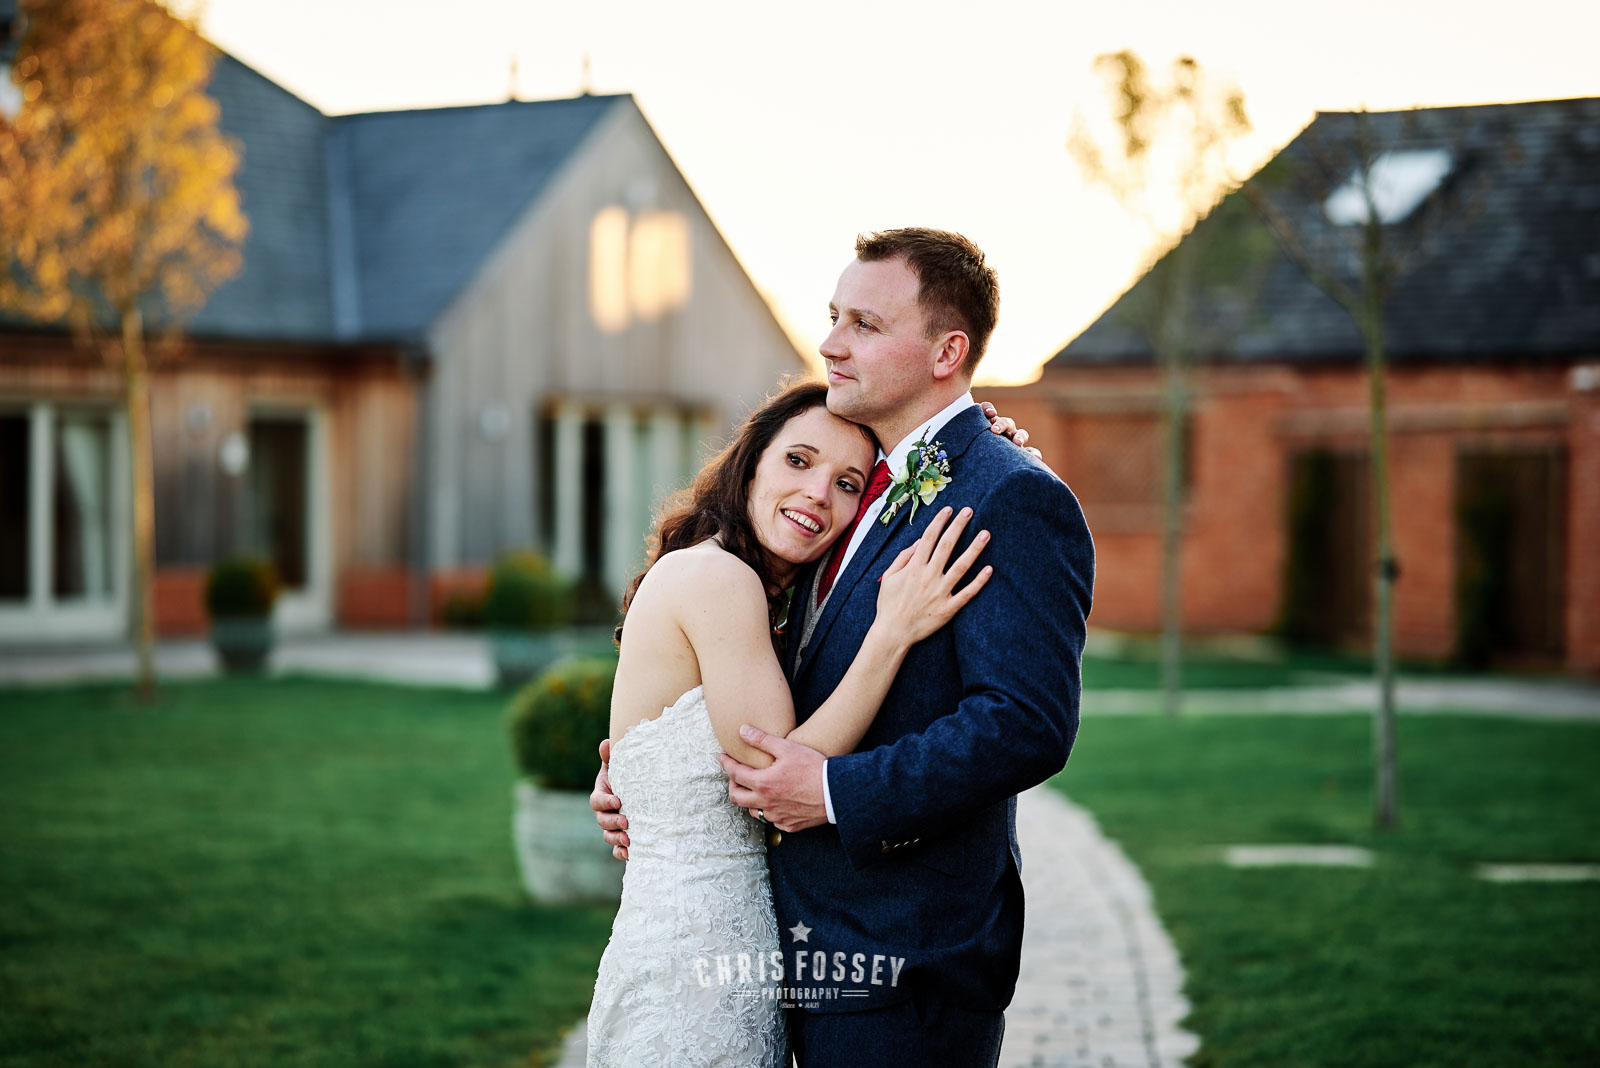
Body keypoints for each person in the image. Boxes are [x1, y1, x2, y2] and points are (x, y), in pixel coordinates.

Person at [594, 228, 1094, 1066]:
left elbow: (1024, 723)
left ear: (948, 351)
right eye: (833, 317)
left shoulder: (1008, 495)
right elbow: (753, 679)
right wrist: (640, 774)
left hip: (906, 958)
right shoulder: (850, 491)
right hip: (781, 947)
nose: (829, 343)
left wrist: (833, 791)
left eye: (863, 322)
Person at [586, 381, 994, 1066]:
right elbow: (774, 769)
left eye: (847, 484)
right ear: (752, 462)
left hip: (706, 951)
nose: (817, 495)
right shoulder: (720, 579)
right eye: (798, 462)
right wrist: (891, 631)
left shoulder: (753, 588)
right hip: (696, 967)